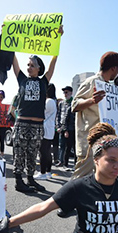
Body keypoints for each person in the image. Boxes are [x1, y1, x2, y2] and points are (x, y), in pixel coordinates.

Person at [11, 27, 62, 193]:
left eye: (32, 65)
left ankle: (31, 179)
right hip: (22, 124)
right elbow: (14, 62)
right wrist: (8, 37)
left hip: (37, 127)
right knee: (19, 153)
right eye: (28, 65)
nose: (29, 67)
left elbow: (53, 64)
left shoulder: (44, 81)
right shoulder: (22, 80)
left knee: (33, 154)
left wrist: (58, 40)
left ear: (39, 68)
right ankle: (19, 181)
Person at [71, 52, 118, 180]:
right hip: (88, 141)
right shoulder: (92, 82)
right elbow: (74, 105)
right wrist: (92, 101)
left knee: (96, 179)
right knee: (80, 178)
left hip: (103, 142)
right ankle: (65, 200)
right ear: (113, 68)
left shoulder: (109, 87)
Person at [35, 84, 57, 180]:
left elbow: (41, 112)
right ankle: (48, 171)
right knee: (47, 152)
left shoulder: (48, 101)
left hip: (45, 128)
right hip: (50, 128)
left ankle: (43, 172)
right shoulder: (53, 101)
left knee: (43, 151)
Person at [57, 86, 75, 169]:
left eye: (67, 92)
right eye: (64, 92)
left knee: (71, 147)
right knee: (62, 145)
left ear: (71, 92)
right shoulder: (61, 103)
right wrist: (58, 126)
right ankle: (61, 161)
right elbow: (58, 115)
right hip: (62, 127)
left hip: (71, 128)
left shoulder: (74, 102)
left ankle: (67, 163)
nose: (65, 94)